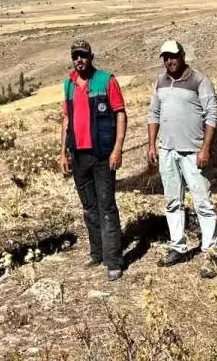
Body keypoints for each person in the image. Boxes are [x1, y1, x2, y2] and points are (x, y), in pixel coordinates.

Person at [146, 40, 217, 278]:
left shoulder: (199, 80)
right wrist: (152, 144)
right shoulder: (160, 82)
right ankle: (177, 246)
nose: (170, 61)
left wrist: (206, 148)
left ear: (182, 55)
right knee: (172, 202)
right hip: (167, 150)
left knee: (202, 201)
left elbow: (212, 114)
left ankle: (210, 251)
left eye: (174, 56)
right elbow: (154, 113)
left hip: (193, 151)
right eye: (166, 57)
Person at [59, 40, 128, 282]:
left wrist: (118, 148)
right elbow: (66, 120)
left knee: (107, 206)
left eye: (83, 55)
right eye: (75, 56)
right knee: (89, 207)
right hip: (79, 156)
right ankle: (97, 253)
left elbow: (120, 114)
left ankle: (114, 260)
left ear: (91, 56)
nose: (79, 60)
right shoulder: (68, 84)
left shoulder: (106, 80)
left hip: (102, 154)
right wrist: (63, 152)